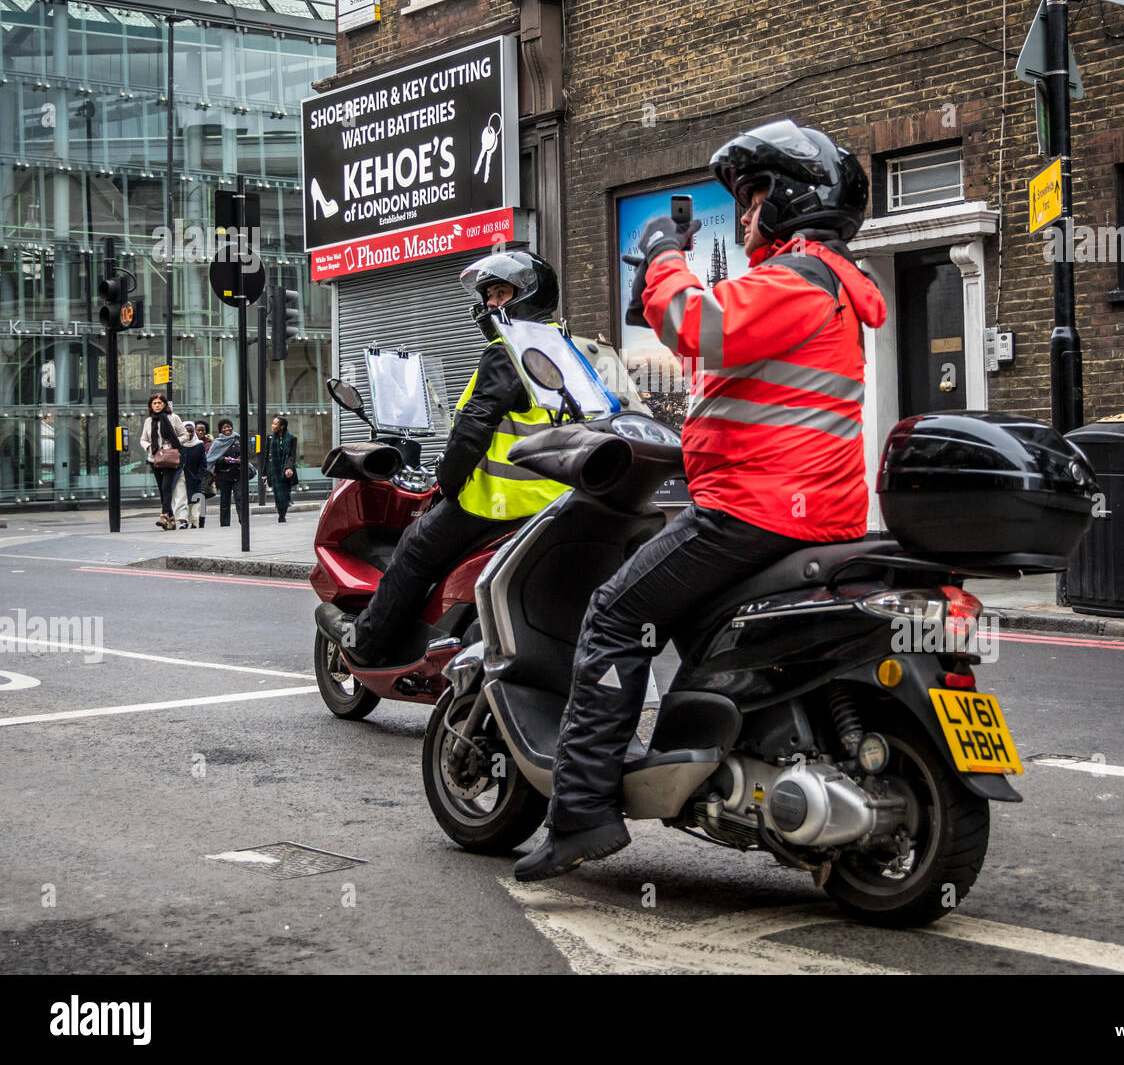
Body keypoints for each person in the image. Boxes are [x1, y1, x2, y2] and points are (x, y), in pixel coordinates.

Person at [515, 120, 888, 881]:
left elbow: (696, 325)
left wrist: (662, 257)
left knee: (618, 613)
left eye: (751, 200)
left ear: (789, 200)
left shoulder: (800, 277)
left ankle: (581, 811)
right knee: (692, 619)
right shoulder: (824, 287)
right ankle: (719, 760)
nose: (744, 218)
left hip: (756, 510)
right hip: (804, 510)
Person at [316, 251, 569, 665]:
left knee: (415, 548)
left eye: (500, 293)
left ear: (528, 295)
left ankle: (367, 640)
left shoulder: (509, 352)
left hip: (503, 503)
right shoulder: (568, 348)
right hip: (561, 498)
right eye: (487, 295)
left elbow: (473, 429)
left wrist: (447, 483)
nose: (489, 305)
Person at [139, 392, 186, 530]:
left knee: (166, 486)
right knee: (161, 489)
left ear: (164, 404)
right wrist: (148, 447)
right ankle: (171, 520)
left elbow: (184, 435)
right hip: (154, 458)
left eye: (159, 403)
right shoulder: (149, 421)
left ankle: (164, 515)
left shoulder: (173, 418)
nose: (157, 405)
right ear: (151, 406)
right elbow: (143, 439)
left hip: (170, 457)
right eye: (154, 403)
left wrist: (174, 443)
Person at [207, 418, 246, 527]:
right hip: (223, 475)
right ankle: (224, 524)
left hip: (238, 473)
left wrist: (240, 458)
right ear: (220, 430)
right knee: (224, 500)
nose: (227, 429)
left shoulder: (238, 439)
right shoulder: (217, 443)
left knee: (239, 497)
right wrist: (224, 459)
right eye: (224, 427)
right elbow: (212, 459)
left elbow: (245, 453)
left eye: (228, 426)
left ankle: (243, 521)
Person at [262, 414, 298, 522]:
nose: (272, 426)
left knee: (285, 493)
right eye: (272, 423)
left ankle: (283, 513)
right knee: (277, 494)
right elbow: (267, 457)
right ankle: (281, 514)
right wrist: (264, 473)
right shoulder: (270, 438)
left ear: (282, 426)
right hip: (274, 470)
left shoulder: (291, 438)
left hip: (286, 470)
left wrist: (289, 468)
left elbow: (292, 455)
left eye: (275, 424)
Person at [174, 421, 208, 529]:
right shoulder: (177, 444)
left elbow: (203, 464)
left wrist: (198, 476)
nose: (189, 434)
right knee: (181, 499)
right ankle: (183, 521)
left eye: (191, 431)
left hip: (194, 477)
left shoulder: (199, 445)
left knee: (195, 501)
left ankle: (195, 522)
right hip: (180, 476)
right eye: (186, 431)